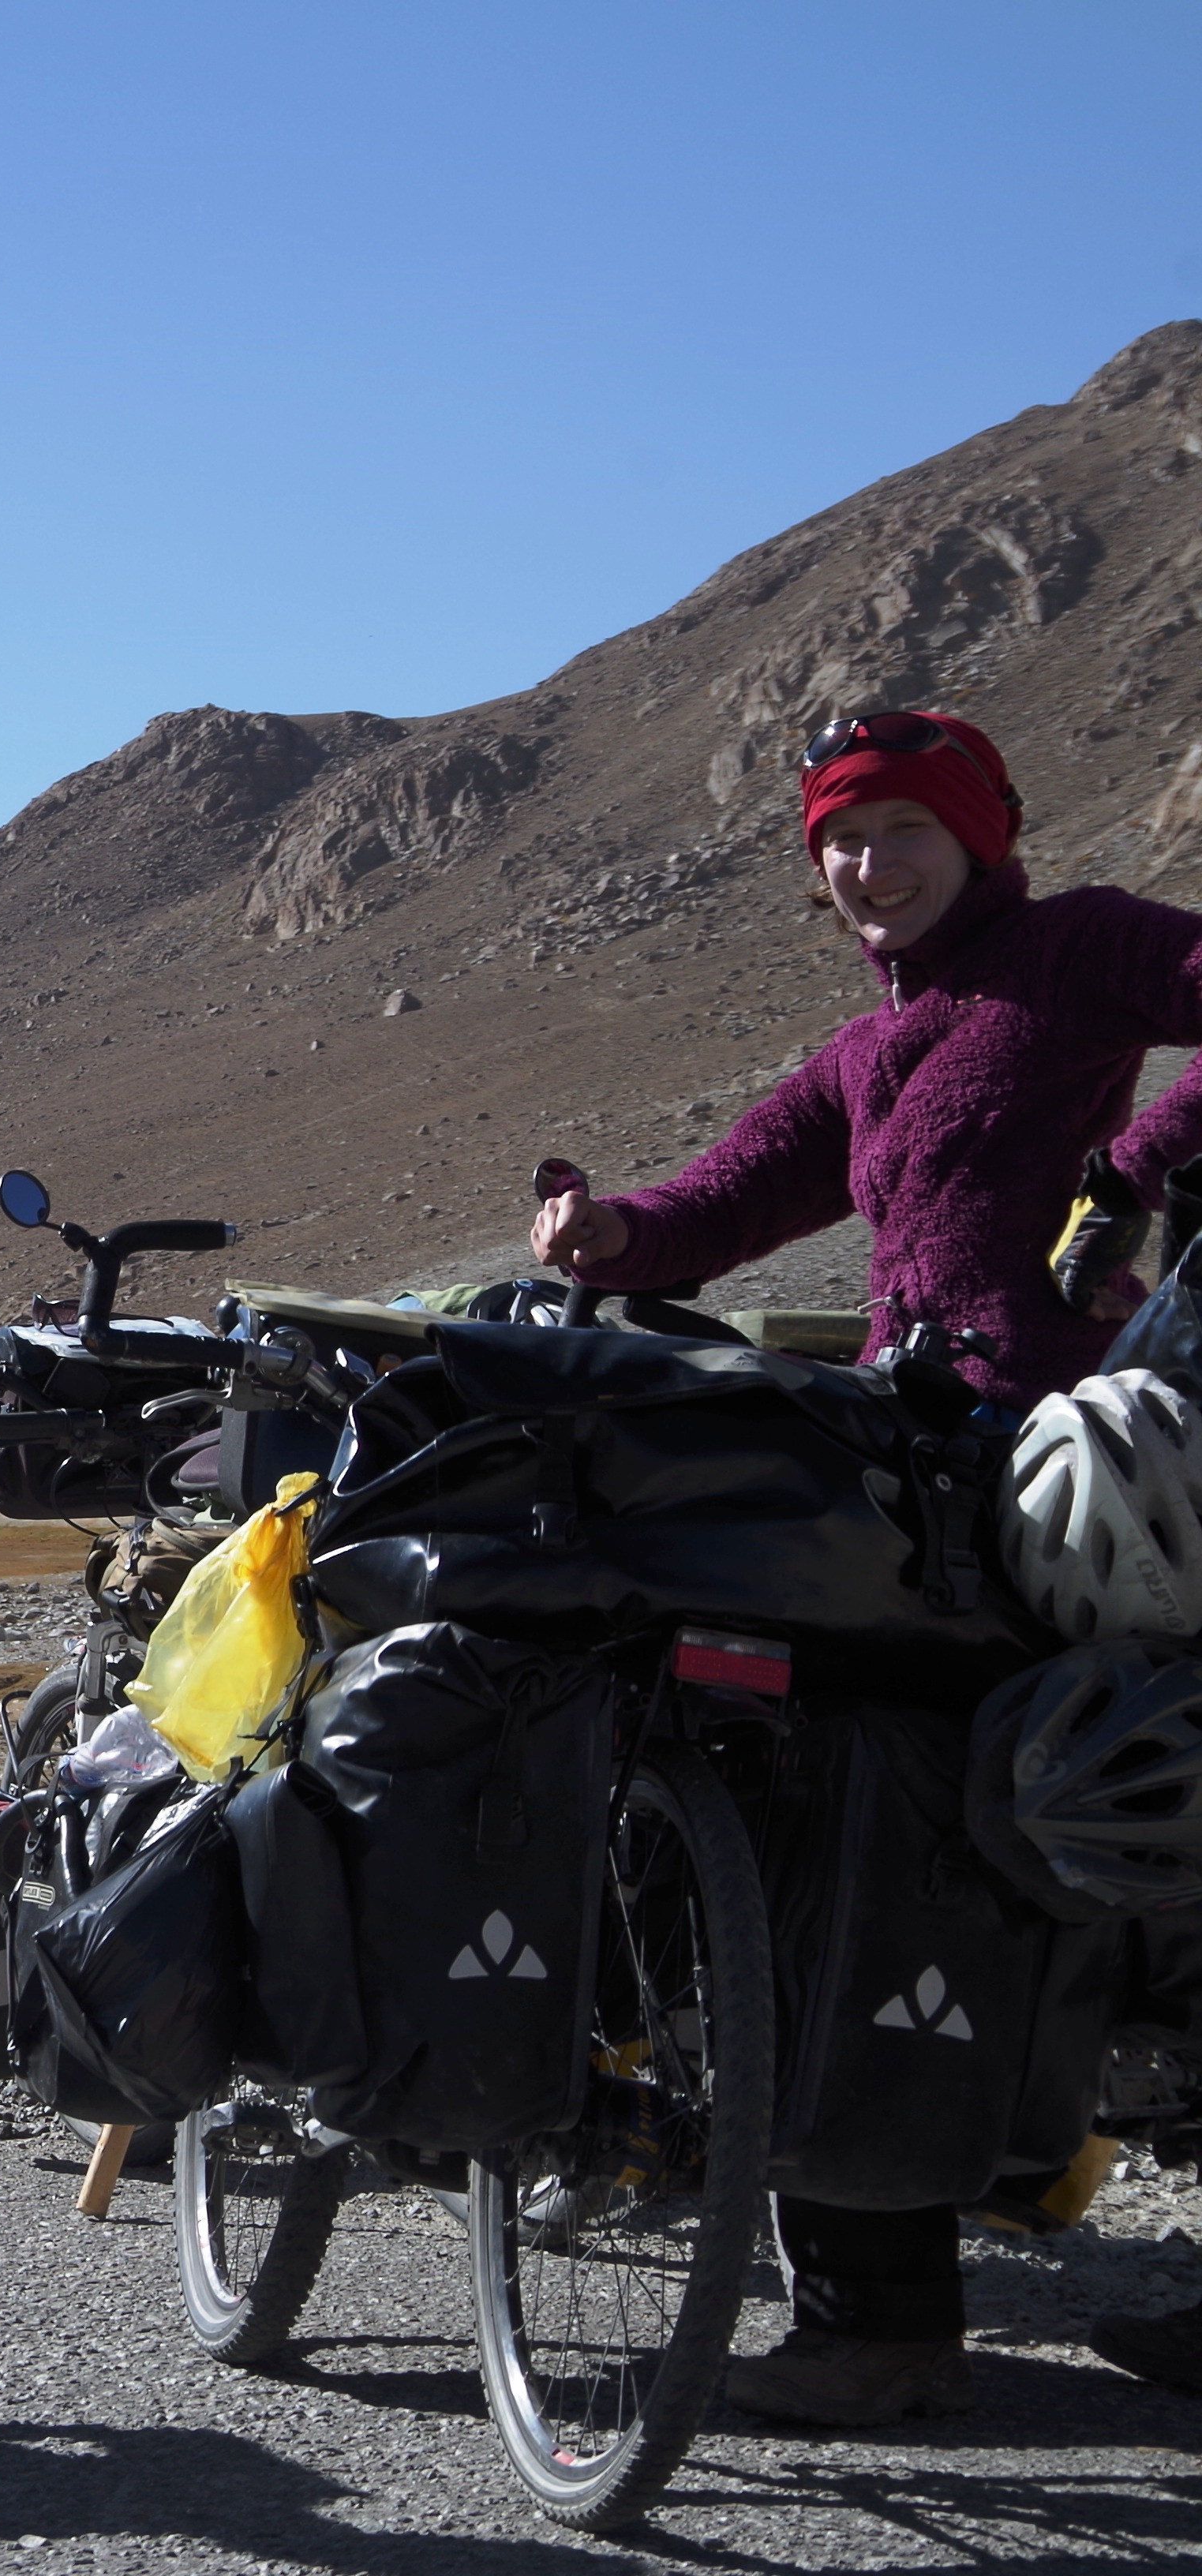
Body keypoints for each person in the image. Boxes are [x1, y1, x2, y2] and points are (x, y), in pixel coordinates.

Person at [534, 710, 1202, 2421]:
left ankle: (878, 2323)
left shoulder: (1078, 948)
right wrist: (612, 1234)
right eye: (838, 837)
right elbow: (728, 1199)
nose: (866, 862)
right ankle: (878, 2299)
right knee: (932, 1828)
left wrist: (1133, 1175)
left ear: (981, 838)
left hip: (1070, 1489)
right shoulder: (872, 1049)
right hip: (924, 1475)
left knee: (971, 1826)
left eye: (903, 828)